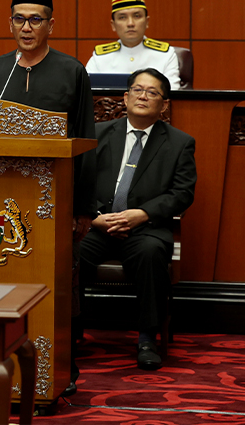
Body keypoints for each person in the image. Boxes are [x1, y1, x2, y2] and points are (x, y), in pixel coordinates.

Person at [0, 0, 96, 392]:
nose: (26, 27)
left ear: (51, 24)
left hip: (53, 202)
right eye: (19, 19)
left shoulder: (72, 71)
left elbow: (85, 142)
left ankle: (61, 372)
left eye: (35, 19)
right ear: (9, 23)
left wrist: (82, 209)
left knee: (62, 284)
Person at [80, 68, 196, 370]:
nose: (143, 96)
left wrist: (141, 214)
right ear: (125, 96)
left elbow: (182, 193)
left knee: (150, 253)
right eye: (138, 90)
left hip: (146, 227)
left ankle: (147, 337)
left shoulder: (180, 143)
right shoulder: (98, 132)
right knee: (67, 252)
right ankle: (68, 330)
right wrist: (94, 217)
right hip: (97, 224)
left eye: (152, 92)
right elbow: (78, 181)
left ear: (164, 104)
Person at [86, 0, 181, 89]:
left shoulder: (166, 55)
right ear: (113, 25)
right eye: (122, 17)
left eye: (137, 16)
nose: (130, 23)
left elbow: (173, 95)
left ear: (147, 21)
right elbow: (86, 92)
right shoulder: (100, 58)